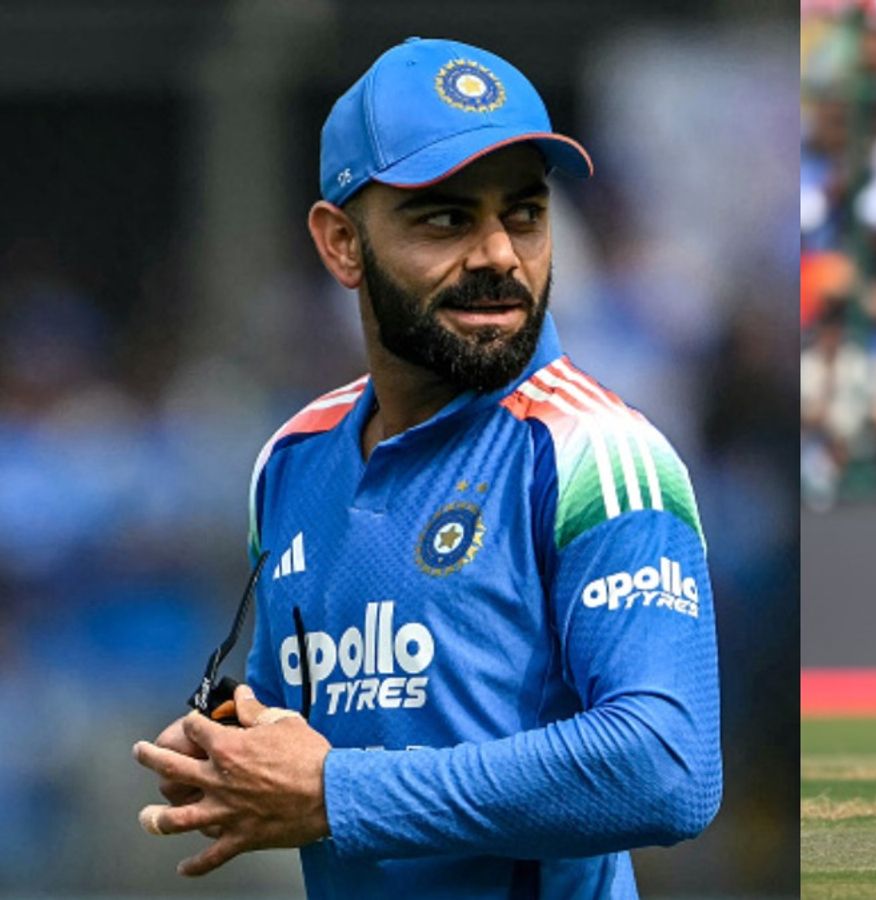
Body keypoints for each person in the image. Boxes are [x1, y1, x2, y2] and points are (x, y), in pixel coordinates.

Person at [131, 38, 720, 897]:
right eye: (445, 219)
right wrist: (231, 754)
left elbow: (668, 767)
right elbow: (302, 730)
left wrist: (338, 794)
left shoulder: (597, 452)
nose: (498, 255)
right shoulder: (291, 457)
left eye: (523, 214)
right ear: (341, 245)